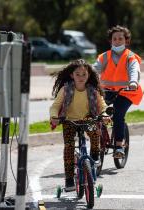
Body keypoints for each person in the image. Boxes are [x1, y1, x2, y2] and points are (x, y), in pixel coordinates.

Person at [49, 59, 107, 192]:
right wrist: (54, 117)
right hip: (69, 121)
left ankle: (95, 156)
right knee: (69, 147)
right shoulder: (66, 89)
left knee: (95, 133)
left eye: (84, 74)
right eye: (77, 74)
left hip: (88, 119)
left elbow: (102, 105)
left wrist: (104, 114)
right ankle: (69, 179)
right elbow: (55, 106)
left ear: (89, 75)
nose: (81, 77)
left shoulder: (93, 90)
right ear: (71, 75)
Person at [93, 25, 143, 158]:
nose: (117, 41)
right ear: (111, 41)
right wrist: (87, 78)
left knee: (118, 114)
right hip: (107, 91)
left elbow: (134, 70)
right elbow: (94, 69)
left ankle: (119, 146)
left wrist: (133, 82)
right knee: (95, 111)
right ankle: (98, 139)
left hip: (127, 92)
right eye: (114, 39)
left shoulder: (130, 57)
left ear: (126, 41)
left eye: (121, 38)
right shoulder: (104, 56)